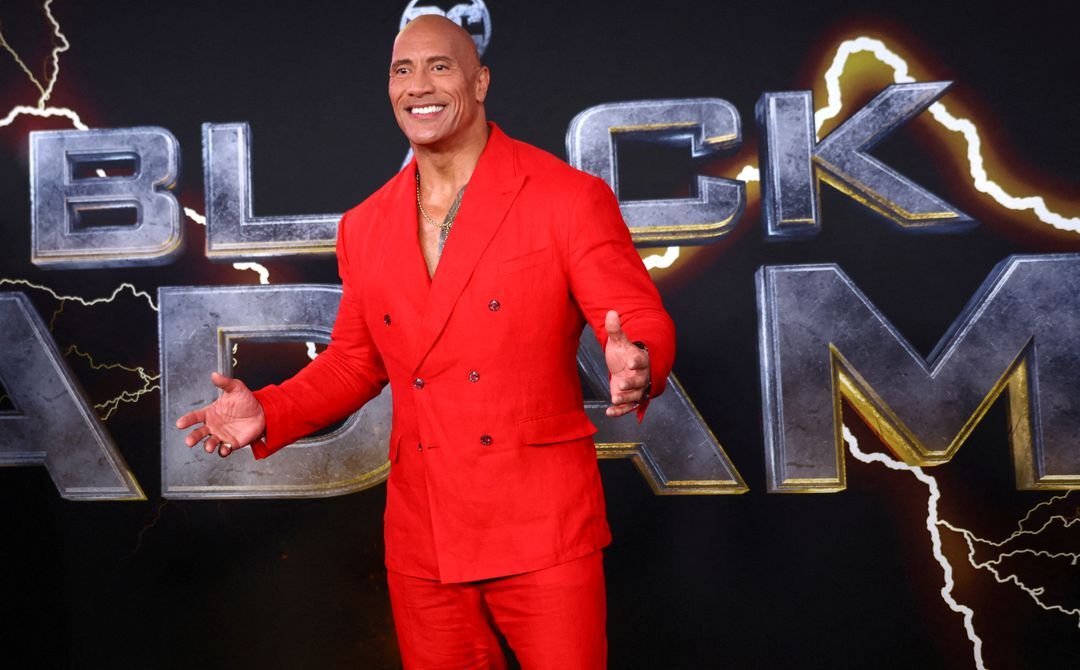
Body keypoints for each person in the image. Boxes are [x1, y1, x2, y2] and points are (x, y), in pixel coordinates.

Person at [175, 14, 674, 669]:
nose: (419, 85)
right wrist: (270, 409)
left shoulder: (566, 198)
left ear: (480, 79)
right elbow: (356, 361)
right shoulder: (364, 226)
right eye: (401, 70)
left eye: (439, 66)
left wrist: (637, 358)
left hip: (541, 528)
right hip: (424, 538)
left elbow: (637, 314)